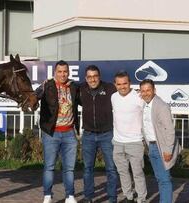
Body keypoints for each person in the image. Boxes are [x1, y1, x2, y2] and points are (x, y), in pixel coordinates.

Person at [35, 60, 80, 203]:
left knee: (69, 168)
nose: (62, 74)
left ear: (68, 72)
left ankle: (70, 196)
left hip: (69, 133)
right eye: (59, 71)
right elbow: (35, 97)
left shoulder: (73, 86)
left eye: (65, 71)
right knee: (49, 167)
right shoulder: (47, 85)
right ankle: (47, 195)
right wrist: (39, 90)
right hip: (51, 133)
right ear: (55, 72)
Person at [78, 65, 118, 203]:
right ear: (85, 78)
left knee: (111, 168)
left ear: (99, 76)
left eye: (95, 76)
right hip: (88, 135)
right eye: (89, 77)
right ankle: (88, 197)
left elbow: (125, 92)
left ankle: (112, 198)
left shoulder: (110, 88)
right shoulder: (81, 89)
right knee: (88, 169)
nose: (92, 79)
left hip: (107, 134)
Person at [140, 79, 181, 203]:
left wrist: (168, 150)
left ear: (154, 91)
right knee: (159, 178)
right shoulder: (145, 104)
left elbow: (170, 130)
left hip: (162, 148)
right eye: (143, 91)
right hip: (152, 147)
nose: (146, 93)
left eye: (148, 90)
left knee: (164, 180)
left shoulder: (161, 106)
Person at [111, 71, 147, 203]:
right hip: (118, 143)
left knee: (138, 174)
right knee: (123, 173)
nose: (122, 86)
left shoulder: (139, 96)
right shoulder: (113, 97)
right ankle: (129, 197)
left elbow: (149, 111)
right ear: (115, 85)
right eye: (119, 84)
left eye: (125, 83)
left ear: (130, 83)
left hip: (135, 142)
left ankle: (141, 199)